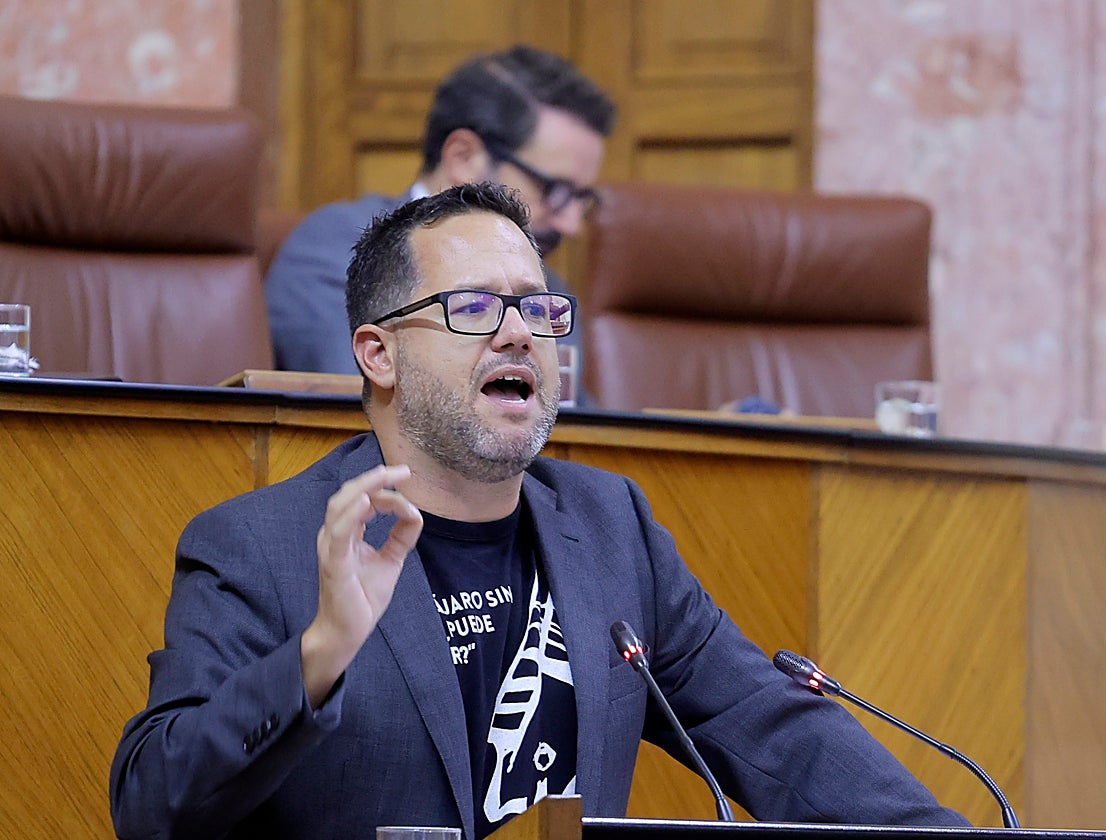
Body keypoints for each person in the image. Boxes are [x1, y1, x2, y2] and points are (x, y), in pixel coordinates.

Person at [110, 183, 970, 839]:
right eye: (475, 307)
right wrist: (320, 654)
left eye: (539, 307)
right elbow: (151, 804)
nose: (520, 332)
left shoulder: (609, 526)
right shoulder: (260, 545)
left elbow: (772, 732)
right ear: (379, 354)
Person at [265, 43, 615, 380]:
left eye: (582, 198)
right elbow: (356, 408)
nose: (572, 225)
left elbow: (575, 428)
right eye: (555, 191)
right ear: (463, 157)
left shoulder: (547, 292)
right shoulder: (340, 251)